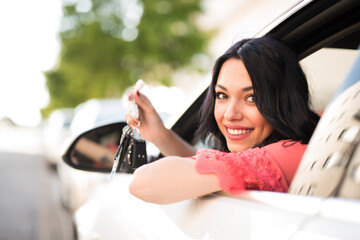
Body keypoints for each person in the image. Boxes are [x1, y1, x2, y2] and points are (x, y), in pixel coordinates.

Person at [125, 35, 320, 204]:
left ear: (284, 101)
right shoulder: (280, 156)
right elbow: (211, 171)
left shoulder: (290, 154)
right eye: (222, 96)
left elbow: (143, 184)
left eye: (252, 98)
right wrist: (159, 135)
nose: (230, 114)